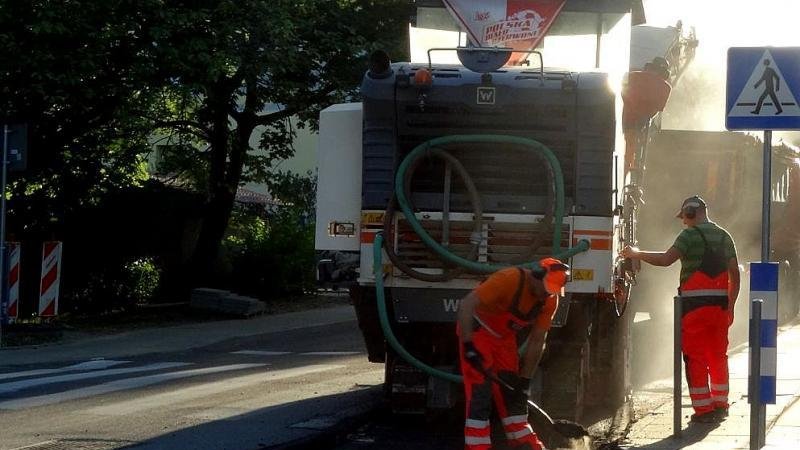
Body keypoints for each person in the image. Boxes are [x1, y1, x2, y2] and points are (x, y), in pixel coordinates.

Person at [622, 195, 740, 423]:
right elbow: (734, 274)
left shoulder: (689, 236)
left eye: (685, 218)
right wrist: (731, 305)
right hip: (719, 308)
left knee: (695, 357)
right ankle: (721, 405)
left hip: (694, 308)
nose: (684, 222)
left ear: (690, 213)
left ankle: (704, 411)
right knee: (717, 355)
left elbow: (666, 260)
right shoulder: (725, 236)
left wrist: (636, 254)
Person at [457, 258, 570, 450]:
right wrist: (469, 347)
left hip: (504, 339)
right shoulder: (508, 279)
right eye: (545, 289)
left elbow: (537, 341)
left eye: (550, 291)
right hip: (478, 333)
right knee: (480, 394)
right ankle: (478, 446)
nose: (545, 295)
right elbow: (467, 305)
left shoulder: (549, 300)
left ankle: (523, 442)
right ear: (535, 276)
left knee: (513, 395)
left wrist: (525, 381)